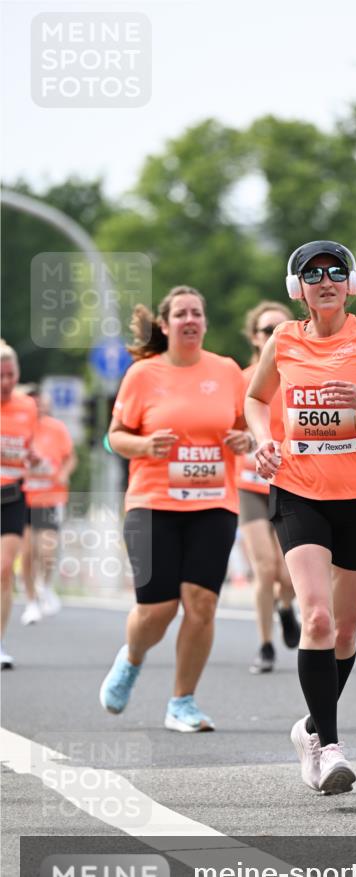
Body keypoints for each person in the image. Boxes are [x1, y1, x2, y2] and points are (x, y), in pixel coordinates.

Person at [245, 240, 356, 794]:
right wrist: (264, 439)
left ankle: (308, 729)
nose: (323, 279)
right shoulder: (284, 338)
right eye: (311, 273)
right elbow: (256, 399)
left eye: (334, 272)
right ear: (296, 287)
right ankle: (329, 748)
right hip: (298, 492)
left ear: (348, 283)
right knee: (317, 620)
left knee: (344, 633)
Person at [99, 286, 252, 732]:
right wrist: (145, 444)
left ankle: (182, 702)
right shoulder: (143, 374)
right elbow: (115, 436)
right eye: (181, 313)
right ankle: (131, 659)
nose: (190, 319)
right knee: (158, 608)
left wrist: (246, 440)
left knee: (201, 603)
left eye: (197, 313)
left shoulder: (226, 371)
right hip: (152, 503)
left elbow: (245, 426)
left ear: (205, 322)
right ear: (164, 325)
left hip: (214, 502)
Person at [238, 301, 301, 673]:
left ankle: (286, 605)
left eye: (281, 327)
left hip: (290, 482)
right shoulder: (243, 378)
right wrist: (238, 439)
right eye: (266, 330)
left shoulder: (300, 375)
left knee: (287, 573)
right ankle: (264, 645)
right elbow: (224, 425)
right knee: (264, 568)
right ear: (254, 337)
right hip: (249, 484)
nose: (273, 335)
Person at [20, 387, 76, 625]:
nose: (38, 407)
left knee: (48, 551)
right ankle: (31, 601)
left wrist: (64, 472)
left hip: (50, 497)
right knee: (27, 552)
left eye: (41, 403)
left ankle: (45, 584)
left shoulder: (57, 428)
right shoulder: (17, 425)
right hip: (22, 498)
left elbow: (71, 457)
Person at [1, 341, 38, 668]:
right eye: (0, 376)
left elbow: (29, 446)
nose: (6, 383)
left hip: (12, 496)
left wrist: (32, 456)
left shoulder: (27, 407)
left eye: (11, 375)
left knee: (3, 570)